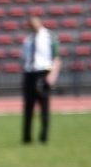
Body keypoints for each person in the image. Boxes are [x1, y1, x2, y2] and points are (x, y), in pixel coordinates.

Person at [20, 13, 61, 145]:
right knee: (28, 108)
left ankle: (43, 138)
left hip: (43, 73)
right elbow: (24, 59)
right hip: (29, 74)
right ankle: (26, 138)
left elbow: (56, 58)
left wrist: (52, 75)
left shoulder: (49, 36)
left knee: (43, 108)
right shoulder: (28, 40)